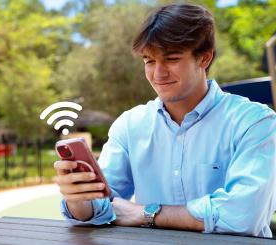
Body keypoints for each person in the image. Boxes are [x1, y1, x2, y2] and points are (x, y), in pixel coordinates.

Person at [53, 3, 276, 238]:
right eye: (149, 61)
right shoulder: (129, 125)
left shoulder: (256, 122)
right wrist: (78, 198)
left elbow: (244, 216)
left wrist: (147, 214)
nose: (158, 73)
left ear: (204, 58)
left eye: (171, 58)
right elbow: (104, 206)